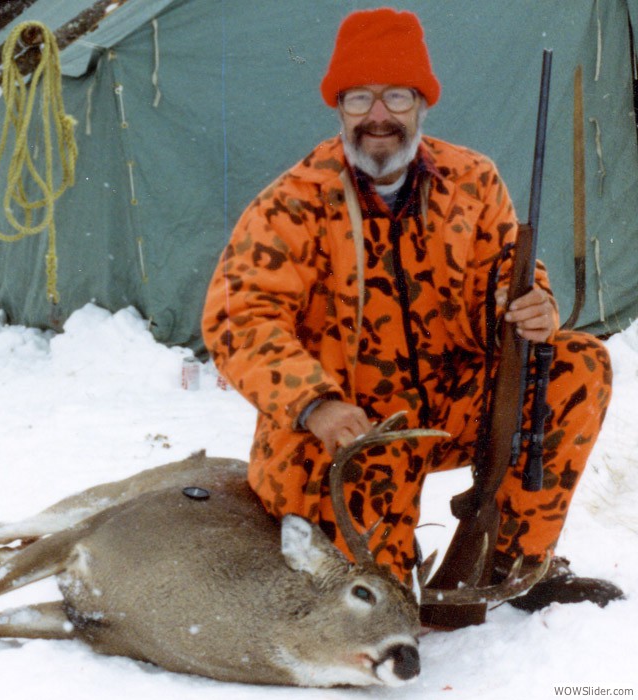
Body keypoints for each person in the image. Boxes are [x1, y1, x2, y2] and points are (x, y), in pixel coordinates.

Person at [201, 8, 622, 615]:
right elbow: (240, 319)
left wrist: (528, 306)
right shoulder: (293, 202)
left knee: (575, 365)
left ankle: (513, 563)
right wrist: (314, 404)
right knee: (379, 611)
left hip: (445, 407)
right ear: (338, 108)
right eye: (359, 98)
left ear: (421, 103)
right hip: (349, 429)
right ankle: (377, 564)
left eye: (396, 95)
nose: (378, 115)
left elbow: (507, 270)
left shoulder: (473, 181)